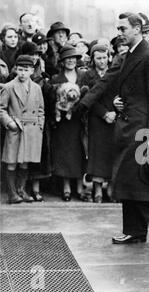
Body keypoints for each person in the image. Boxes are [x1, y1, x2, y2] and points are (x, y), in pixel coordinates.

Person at [78, 12, 149, 245]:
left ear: (137, 29)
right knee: (127, 179)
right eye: (118, 28)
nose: (119, 32)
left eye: (123, 28)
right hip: (129, 126)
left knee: (133, 178)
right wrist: (115, 102)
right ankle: (136, 230)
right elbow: (120, 87)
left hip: (142, 130)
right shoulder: (129, 56)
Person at [0, 55, 45, 204]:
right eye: (20, 70)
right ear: (16, 70)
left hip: (31, 130)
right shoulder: (9, 87)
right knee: (12, 161)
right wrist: (9, 123)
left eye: (26, 70)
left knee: (25, 162)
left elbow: (40, 110)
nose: (23, 73)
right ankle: (12, 193)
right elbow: (1, 109)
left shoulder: (37, 88)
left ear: (32, 71)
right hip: (16, 129)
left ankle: (21, 190)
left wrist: (39, 126)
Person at [49, 44, 86, 201]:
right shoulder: (56, 79)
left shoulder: (83, 76)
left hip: (79, 120)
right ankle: (66, 187)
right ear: (62, 61)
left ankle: (79, 186)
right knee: (64, 152)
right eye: (67, 59)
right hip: (63, 122)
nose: (71, 61)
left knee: (80, 151)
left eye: (73, 58)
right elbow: (52, 100)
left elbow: (89, 94)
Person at [81, 44, 115, 203]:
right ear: (93, 59)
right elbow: (88, 98)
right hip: (96, 118)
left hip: (114, 117)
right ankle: (97, 188)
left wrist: (115, 111)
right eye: (98, 58)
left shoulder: (115, 72)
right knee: (97, 154)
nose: (102, 61)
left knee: (111, 152)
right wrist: (104, 113)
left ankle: (111, 187)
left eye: (104, 57)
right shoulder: (87, 75)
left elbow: (121, 94)